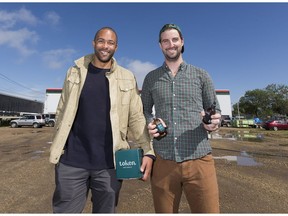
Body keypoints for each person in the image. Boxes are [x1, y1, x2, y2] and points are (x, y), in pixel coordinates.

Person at [49, 27, 155, 213]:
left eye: (110, 43)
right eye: (101, 41)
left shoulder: (127, 77)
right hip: (72, 162)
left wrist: (148, 150)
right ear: (93, 43)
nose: (105, 46)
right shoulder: (75, 71)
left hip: (110, 166)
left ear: (116, 47)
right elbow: (62, 109)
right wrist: (60, 144)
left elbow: (137, 117)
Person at [141, 23, 221, 213]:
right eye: (165, 41)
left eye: (174, 39)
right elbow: (143, 110)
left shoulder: (201, 75)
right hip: (163, 161)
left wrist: (213, 123)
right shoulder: (151, 78)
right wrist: (149, 123)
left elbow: (214, 110)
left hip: (199, 158)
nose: (171, 44)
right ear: (160, 45)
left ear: (182, 42)